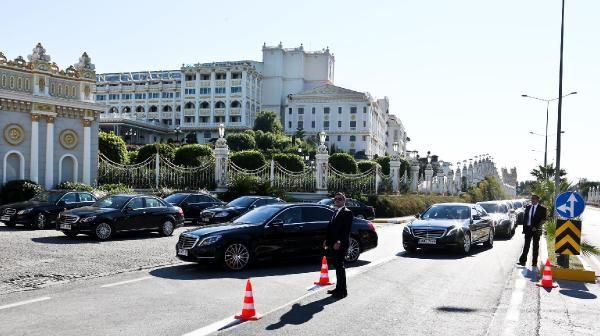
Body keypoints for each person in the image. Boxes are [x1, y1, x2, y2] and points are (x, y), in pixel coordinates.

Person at [323, 192, 353, 299]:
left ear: (344, 201)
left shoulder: (347, 212)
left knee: (340, 267)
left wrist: (339, 242)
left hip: (340, 244)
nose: (337, 201)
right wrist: (326, 240)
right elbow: (330, 228)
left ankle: (343, 291)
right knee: (337, 266)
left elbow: (346, 230)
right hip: (333, 243)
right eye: (335, 199)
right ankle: (338, 288)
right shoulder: (335, 212)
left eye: (339, 199)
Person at [517, 194, 547, 267]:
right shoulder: (528, 207)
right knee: (526, 245)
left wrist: (536, 227)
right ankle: (522, 261)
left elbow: (543, 220)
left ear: (537, 200)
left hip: (536, 230)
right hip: (528, 229)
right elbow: (526, 218)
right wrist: (524, 228)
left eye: (534, 199)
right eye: (532, 199)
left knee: (535, 246)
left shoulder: (542, 209)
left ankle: (534, 262)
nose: (532, 200)